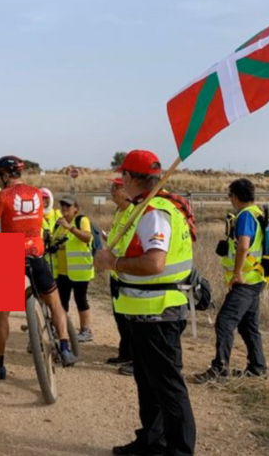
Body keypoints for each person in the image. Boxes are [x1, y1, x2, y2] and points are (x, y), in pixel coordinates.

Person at [93, 150, 196, 456]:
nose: (120, 180)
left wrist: (113, 263)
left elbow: (154, 264)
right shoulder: (143, 209)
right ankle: (151, 442)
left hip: (158, 312)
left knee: (166, 387)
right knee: (149, 384)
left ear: (128, 177)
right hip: (144, 312)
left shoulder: (154, 212)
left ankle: (179, 450)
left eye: (122, 175)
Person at [0, 156, 79, 381]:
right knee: (55, 302)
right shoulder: (36, 194)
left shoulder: (3, 196)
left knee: (2, 313)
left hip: (10, 253)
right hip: (36, 251)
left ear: (4, 174)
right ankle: (64, 347)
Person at [193, 178, 268, 384]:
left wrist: (237, 274)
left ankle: (220, 368)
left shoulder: (244, 216)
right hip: (257, 278)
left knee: (224, 322)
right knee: (248, 326)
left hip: (245, 281)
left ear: (234, 196)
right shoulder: (258, 212)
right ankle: (257, 368)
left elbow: (243, 246)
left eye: (230, 196)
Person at [105, 178, 138, 376]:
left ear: (125, 190)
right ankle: (125, 352)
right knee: (120, 316)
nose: (111, 191)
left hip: (128, 272)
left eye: (115, 187)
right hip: (116, 272)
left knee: (131, 318)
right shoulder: (120, 212)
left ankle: (135, 356)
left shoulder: (134, 213)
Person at [51, 195, 95, 343]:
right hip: (63, 271)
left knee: (80, 299)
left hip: (80, 270)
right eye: (62, 205)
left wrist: (70, 228)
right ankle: (61, 330)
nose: (64, 208)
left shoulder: (81, 220)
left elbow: (87, 237)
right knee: (62, 302)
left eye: (68, 206)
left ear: (76, 208)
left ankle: (86, 330)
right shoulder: (58, 225)